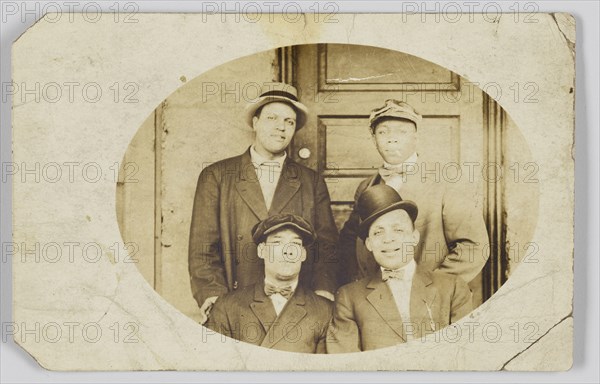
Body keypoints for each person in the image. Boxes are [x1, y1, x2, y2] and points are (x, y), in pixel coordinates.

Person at [189, 83, 339, 324]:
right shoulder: (217, 175)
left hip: (297, 306)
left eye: (289, 122)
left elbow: (327, 246)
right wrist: (214, 296)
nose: (281, 127)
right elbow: (203, 247)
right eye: (272, 118)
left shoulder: (311, 181)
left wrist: (323, 292)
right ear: (255, 123)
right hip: (233, 304)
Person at [338, 99, 489, 286]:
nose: (391, 138)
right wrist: (361, 288)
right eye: (383, 132)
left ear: (416, 137)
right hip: (376, 301)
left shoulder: (447, 180)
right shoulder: (366, 187)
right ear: (373, 139)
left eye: (402, 132)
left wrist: (432, 288)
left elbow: (473, 246)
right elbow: (351, 242)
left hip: (430, 301)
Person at [327, 185, 472, 352]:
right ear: (368, 244)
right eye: (378, 233)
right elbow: (346, 367)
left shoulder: (452, 288)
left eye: (398, 230)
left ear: (414, 237)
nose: (388, 239)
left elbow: (466, 356)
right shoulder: (349, 298)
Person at [207, 213, 333, 353]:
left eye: (295, 244)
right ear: (261, 251)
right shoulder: (227, 306)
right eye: (277, 243)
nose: (287, 251)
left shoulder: (325, 311)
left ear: (303, 254)